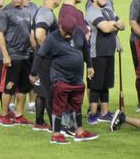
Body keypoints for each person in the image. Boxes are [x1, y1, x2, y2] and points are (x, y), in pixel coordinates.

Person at [30, 16, 98, 144]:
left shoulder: (78, 32)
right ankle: (56, 135)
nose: (68, 36)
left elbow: (85, 48)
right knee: (58, 107)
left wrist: (90, 65)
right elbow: (40, 55)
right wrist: (33, 73)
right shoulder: (52, 38)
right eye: (66, 33)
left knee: (77, 106)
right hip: (60, 78)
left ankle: (79, 132)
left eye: (71, 33)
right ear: (60, 27)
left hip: (77, 79)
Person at [0, 0, 34, 126]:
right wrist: (5, 55)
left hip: (26, 54)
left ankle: (19, 115)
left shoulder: (28, 11)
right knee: (9, 87)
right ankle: (4, 115)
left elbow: (30, 32)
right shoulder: (5, 12)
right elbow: (0, 34)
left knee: (24, 88)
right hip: (13, 55)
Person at [85, 0, 125, 124]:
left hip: (109, 51)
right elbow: (106, 28)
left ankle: (104, 112)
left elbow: (123, 24)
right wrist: (113, 23)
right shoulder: (91, 11)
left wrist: (112, 23)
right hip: (96, 53)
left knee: (106, 84)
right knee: (95, 84)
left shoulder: (108, 10)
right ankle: (92, 114)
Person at [30, 0, 62, 131]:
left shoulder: (40, 11)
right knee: (50, 92)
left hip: (40, 57)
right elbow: (38, 35)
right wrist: (48, 51)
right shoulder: (46, 13)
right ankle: (54, 126)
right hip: (46, 60)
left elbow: (32, 36)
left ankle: (39, 121)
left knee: (42, 90)